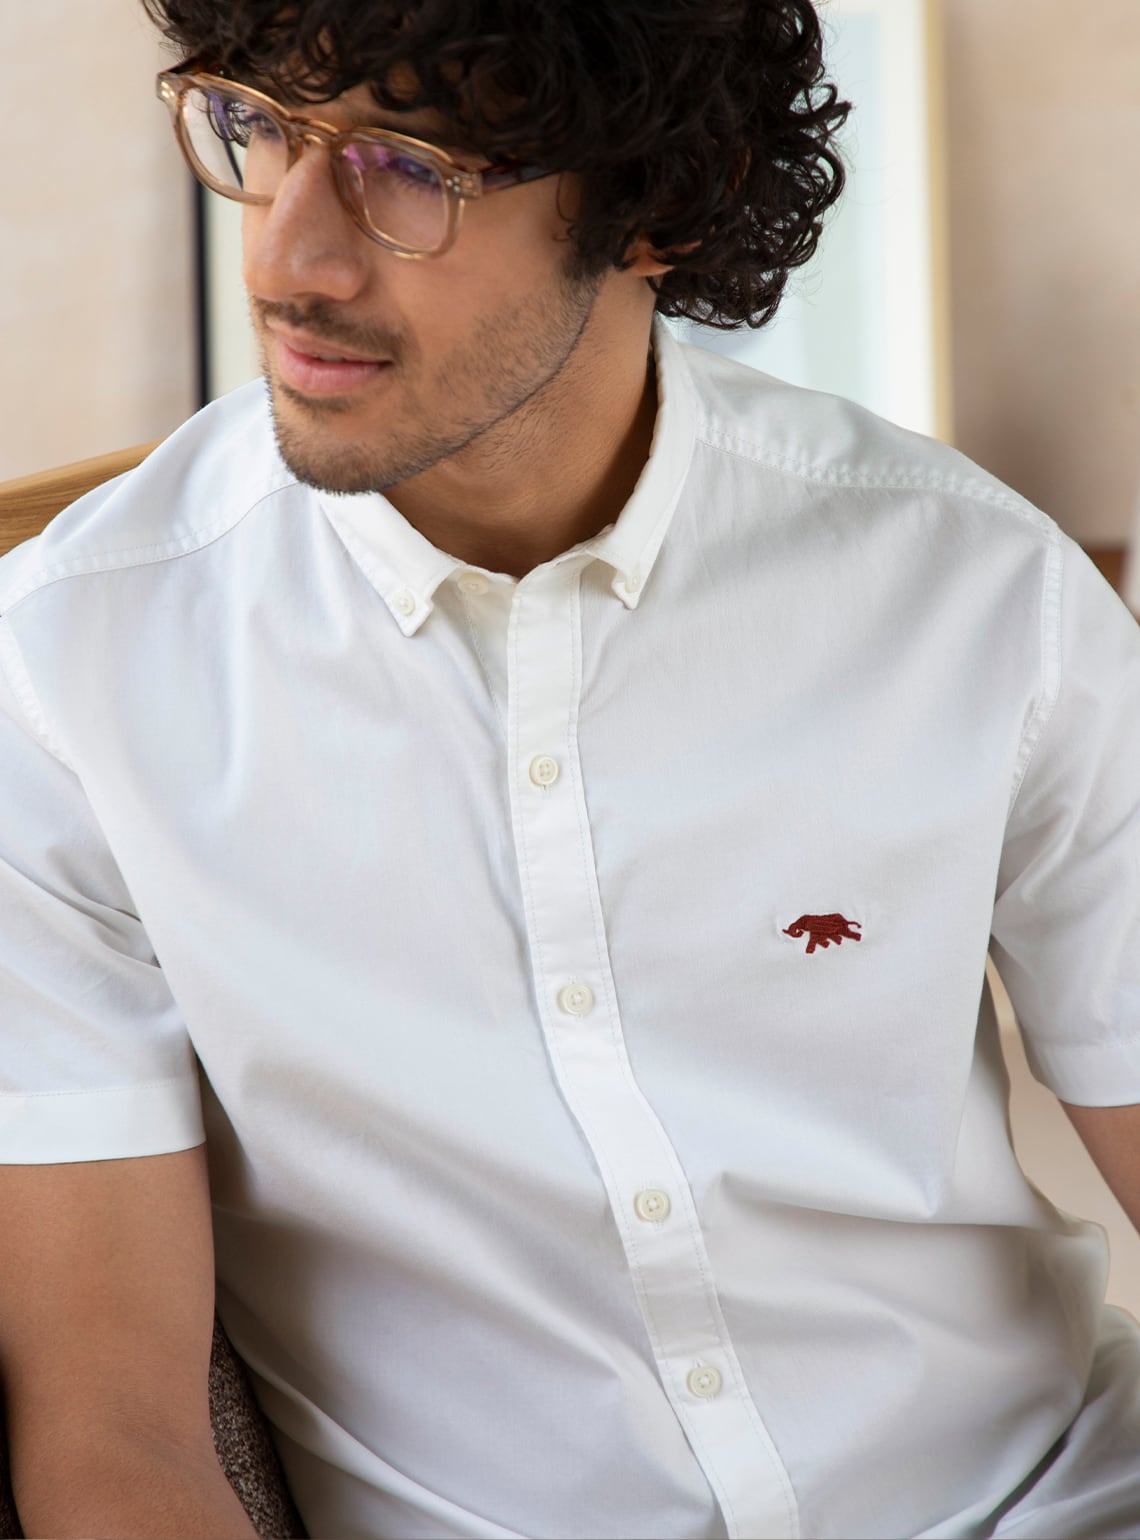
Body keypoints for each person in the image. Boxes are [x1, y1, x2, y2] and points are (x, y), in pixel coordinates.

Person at [1, 1, 1138, 1535]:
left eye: (407, 167)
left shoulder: (976, 592)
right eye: (258, 126)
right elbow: (117, 1438)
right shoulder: (67, 678)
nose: (285, 257)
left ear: (662, 204)